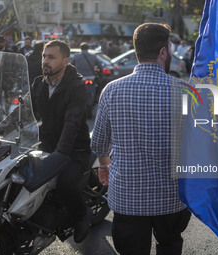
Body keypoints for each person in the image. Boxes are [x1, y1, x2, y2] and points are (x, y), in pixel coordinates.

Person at [91, 23, 191, 255]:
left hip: (128, 199)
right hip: (173, 198)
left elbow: (98, 144)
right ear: (163, 52)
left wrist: (104, 164)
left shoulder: (112, 90)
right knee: (170, 246)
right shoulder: (185, 91)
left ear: (136, 50)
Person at [30, 40, 91, 243]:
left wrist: (60, 154)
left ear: (65, 61)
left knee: (65, 184)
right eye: (44, 56)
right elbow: (23, 112)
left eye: (51, 57)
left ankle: (82, 216)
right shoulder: (39, 82)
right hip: (46, 144)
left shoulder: (76, 87)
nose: (45, 61)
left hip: (74, 148)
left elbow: (71, 123)